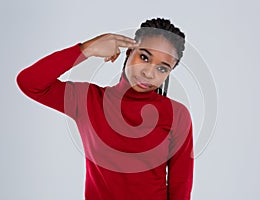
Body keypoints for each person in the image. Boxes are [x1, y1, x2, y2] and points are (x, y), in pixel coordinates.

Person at [16, 17, 194, 200]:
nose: (148, 73)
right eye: (144, 57)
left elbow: (180, 185)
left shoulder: (177, 114)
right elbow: (29, 82)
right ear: (129, 52)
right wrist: (87, 49)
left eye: (162, 69)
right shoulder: (86, 100)